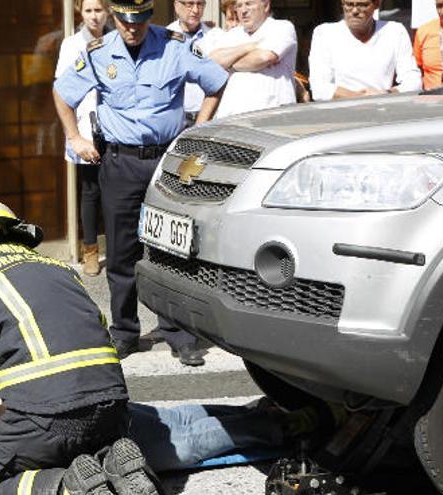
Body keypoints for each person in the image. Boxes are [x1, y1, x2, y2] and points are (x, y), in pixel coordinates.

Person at [0, 199, 156, 494]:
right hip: (113, 408)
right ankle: (115, 461)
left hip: (42, 418)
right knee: (81, 444)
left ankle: (64, 488)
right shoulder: (61, 269)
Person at [53, 0, 228, 367]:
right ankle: (125, 332)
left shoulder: (174, 46)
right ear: (115, 18)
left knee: (172, 250)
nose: (133, 28)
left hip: (167, 162)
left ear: (149, 16)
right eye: (125, 21)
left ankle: (178, 332)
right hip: (119, 161)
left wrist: (199, 130)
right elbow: (62, 93)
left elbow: (216, 82)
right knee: (121, 252)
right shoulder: (99, 53)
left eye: (141, 20)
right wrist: (75, 139)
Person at [55, 0, 112, 277]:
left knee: (117, 192)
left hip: (116, 128)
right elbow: (63, 89)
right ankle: (90, 249)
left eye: (98, 10)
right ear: (80, 12)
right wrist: (75, 135)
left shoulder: (116, 39)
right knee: (90, 191)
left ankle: (118, 248)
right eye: (88, 11)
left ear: (108, 12)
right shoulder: (71, 44)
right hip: (86, 129)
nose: (94, 16)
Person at [308, 0, 421, 100]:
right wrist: (359, 98)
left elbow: (413, 80)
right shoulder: (325, 33)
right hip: (339, 114)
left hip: (383, 110)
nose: (355, 11)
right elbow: (319, 88)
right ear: (342, 3)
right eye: (349, 4)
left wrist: (386, 94)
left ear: (377, 4)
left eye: (363, 5)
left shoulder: (395, 31)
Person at [208, 0, 297, 118]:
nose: (243, 11)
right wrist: (247, 48)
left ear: (265, 6)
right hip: (232, 117)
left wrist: (229, 63)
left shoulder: (282, 27)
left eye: (249, 4)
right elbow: (212, 61)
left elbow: (263, 57)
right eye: (239, 6)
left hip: (273, 115)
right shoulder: (231, 35)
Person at [167, 0, 214, 128]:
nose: (195, 10)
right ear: (176, 5)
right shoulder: (163, 38)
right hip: (176, 119)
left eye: (200, 4)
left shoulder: (215, 36)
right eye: (190, 4)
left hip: (209, 117)